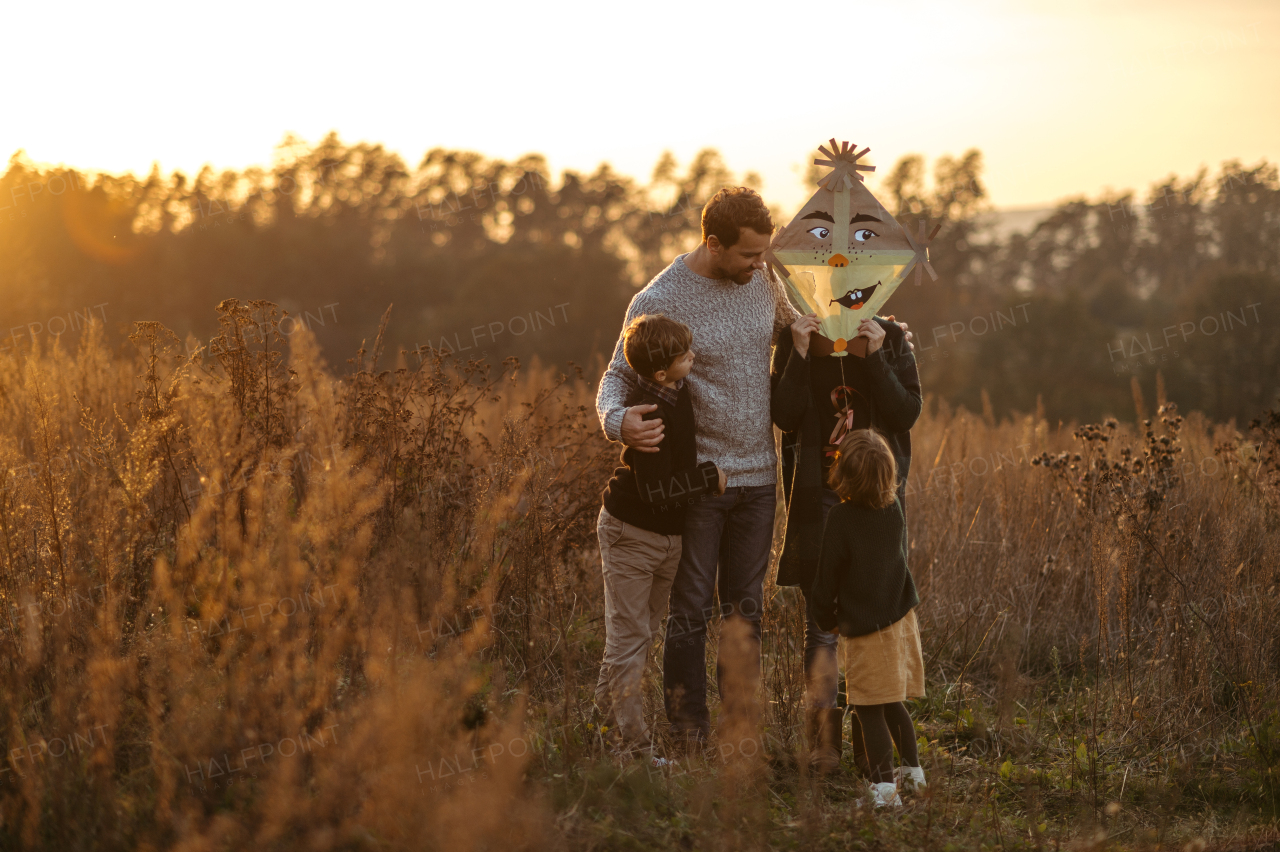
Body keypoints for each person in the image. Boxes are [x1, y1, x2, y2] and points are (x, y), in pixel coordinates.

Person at [595, 187, 797, 748]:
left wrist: (876, 334)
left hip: (760, 479)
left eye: (765, 253)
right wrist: (619, 421)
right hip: (702, 483)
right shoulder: (660, 298)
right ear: (713, 243)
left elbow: (796, 325)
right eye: (751, 255)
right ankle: (688, 734)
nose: (761, 265)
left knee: (746, 612)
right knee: (689, 613)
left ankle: (738, 734)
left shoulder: (762, 280)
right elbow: (616, 377)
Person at [770, 309, 921, 773]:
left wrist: (877, 356)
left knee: (872, 612)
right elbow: (784, 415)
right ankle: (825, 745)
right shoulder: (796, 337)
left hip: (876, 500)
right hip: (818, 496)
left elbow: (905, 413)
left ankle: (867, 745)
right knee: (822, 618)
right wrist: (796, 354)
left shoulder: (890, 335)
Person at [595, 314, 726, 755]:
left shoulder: (675, 387)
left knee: (639, 634)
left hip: (668, 538)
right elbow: (655, 491)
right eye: (683, 354)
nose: (693, 355)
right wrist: (709, 478)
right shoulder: (649, 414)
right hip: (633, 533)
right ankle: (632, 746)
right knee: (629, 639)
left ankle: (601, 730)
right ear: (659, 372)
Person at [808, 429, 926, 808]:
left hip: (866, 630)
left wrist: (824, 617)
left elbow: (825, 580)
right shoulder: (894, 509)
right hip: (901, 622)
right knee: (893, 702)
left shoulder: (841, 518)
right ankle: (914, 776)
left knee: (867, 708)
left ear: (844, 476)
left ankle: (884, 791)